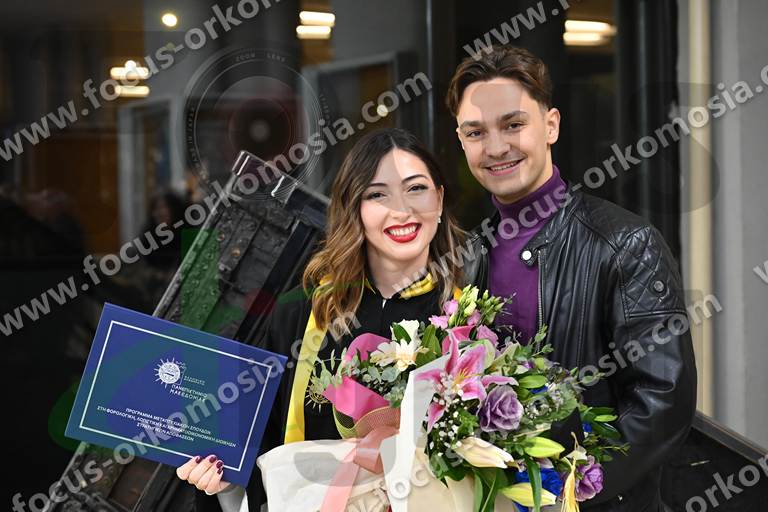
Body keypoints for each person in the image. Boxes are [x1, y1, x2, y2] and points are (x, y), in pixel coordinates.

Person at [451, 46, 696, 511]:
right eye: (476, 132)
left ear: (551, 126)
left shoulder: (626, 243)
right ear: (461, 141)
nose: (496, 147)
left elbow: (662, 400)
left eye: (513, 125)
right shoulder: (468, 254)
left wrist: (569, 491)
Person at [175, 128, 465, 509]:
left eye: (416, 189)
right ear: (354, 207)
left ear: (439, 199)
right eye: (377, 194)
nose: (402, 210)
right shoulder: (300, 316)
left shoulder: (468, 321)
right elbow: (261, 462)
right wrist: (223, 483)